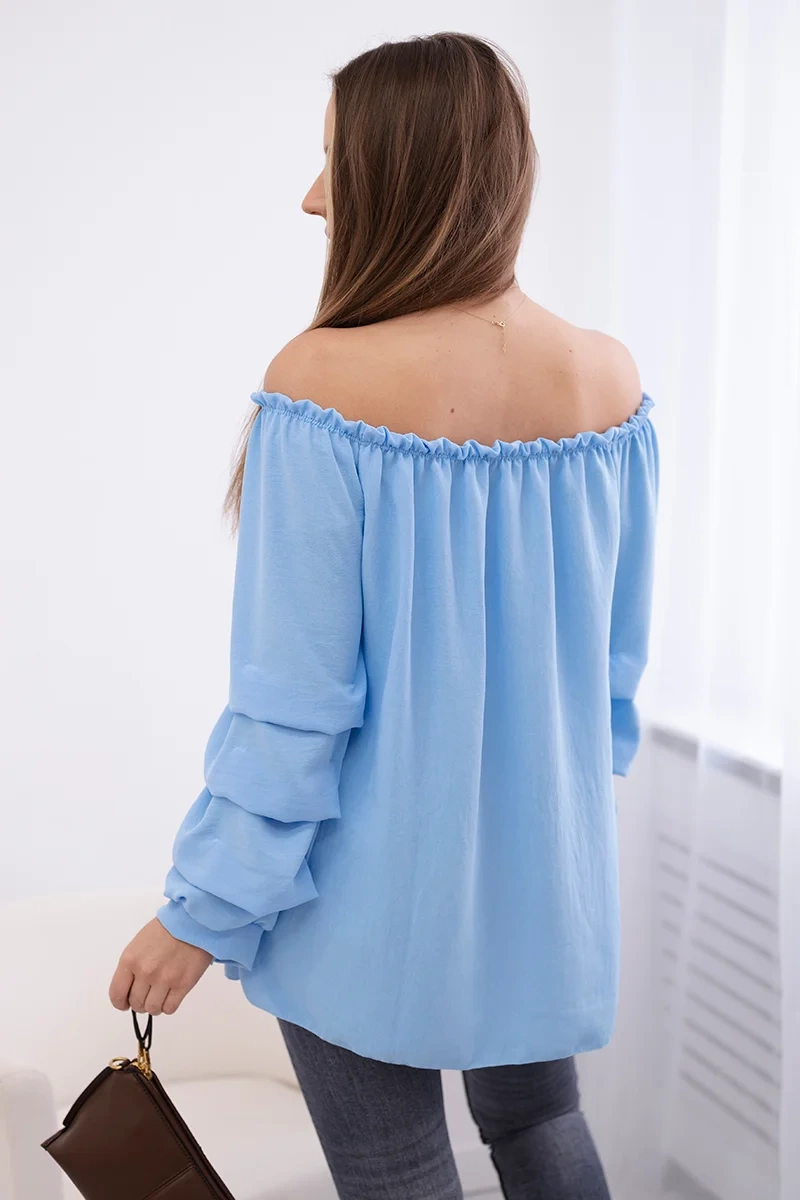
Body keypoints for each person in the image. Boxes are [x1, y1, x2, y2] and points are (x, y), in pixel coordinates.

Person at [109, 31, 658, 1200]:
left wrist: (199, 915)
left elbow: (294, 707)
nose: (313, 199)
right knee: (541, 1124)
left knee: (398, 1171)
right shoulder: (607, 383)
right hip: (540, 879)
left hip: (363, 892)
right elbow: (609, 678)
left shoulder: (322, 384)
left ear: (403, 174)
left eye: (334, 163)